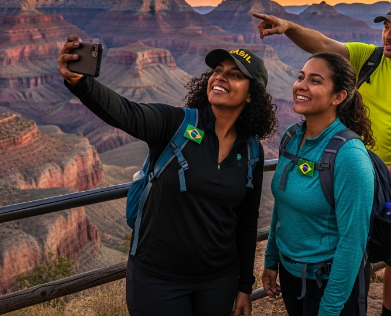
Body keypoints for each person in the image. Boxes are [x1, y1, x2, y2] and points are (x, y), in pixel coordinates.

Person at [57, 37, 277, 316]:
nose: (220, 78)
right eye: (217, 71)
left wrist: (244, 286)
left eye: (234, 75)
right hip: (158, 280)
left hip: (218, 280)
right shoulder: (175, 124)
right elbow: (126, 112)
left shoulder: (251, 150)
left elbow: (246, 222)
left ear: (251, 95)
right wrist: (81, 83)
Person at [254, 3, 391, 316]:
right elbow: (325, 46)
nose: (388, 35)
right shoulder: (369, 57)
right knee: (346, 238)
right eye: (386, 27)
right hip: (336, 168)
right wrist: (289, 27)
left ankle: (387, 311)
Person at [261, 52, 375, 316]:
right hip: (292, 276)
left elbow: (353, 241)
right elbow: (282, 204)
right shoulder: (291, 137)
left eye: (315, 80)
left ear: (339, 97)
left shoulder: (350, 156)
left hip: (331, 283)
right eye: (301, 77)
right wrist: (271, 260)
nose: (301, 85)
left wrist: (331, 307)